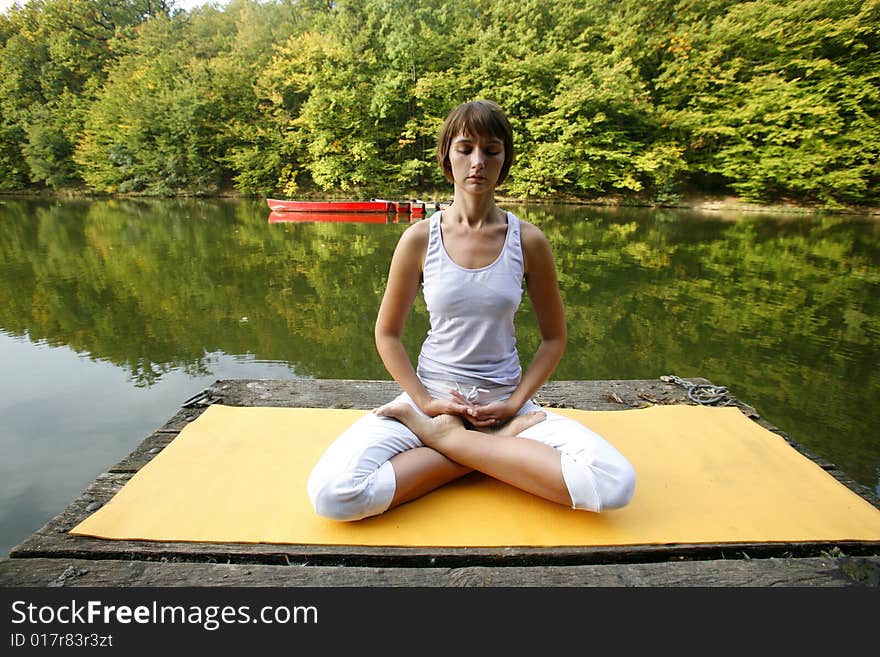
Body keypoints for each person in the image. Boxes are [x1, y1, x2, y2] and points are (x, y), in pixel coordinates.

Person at [307, 100, 635, 521]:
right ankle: (489, 450)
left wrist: (517, 404)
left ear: (505, 159)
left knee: (614, 483)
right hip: (431, 401)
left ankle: (453, 443)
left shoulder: (529, 241)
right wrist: (425, 405)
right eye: (465, 149)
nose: (478, 161)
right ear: (447, 156)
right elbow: (387, 334)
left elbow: (554, 338)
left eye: (492, 150)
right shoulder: (418, 239)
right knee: (332, 495)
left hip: (507, 405)